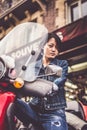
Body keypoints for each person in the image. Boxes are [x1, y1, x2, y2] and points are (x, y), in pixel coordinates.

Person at [16, 32, 68, 130]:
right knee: (12, 98)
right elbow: (25, 83)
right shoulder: (31, 66)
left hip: (53, 112)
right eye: (50, 46)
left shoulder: (62, 64)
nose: (54, 50)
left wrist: (49, 87)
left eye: (57, 48)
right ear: (42, 46)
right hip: (33, 109)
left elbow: (60, 79)